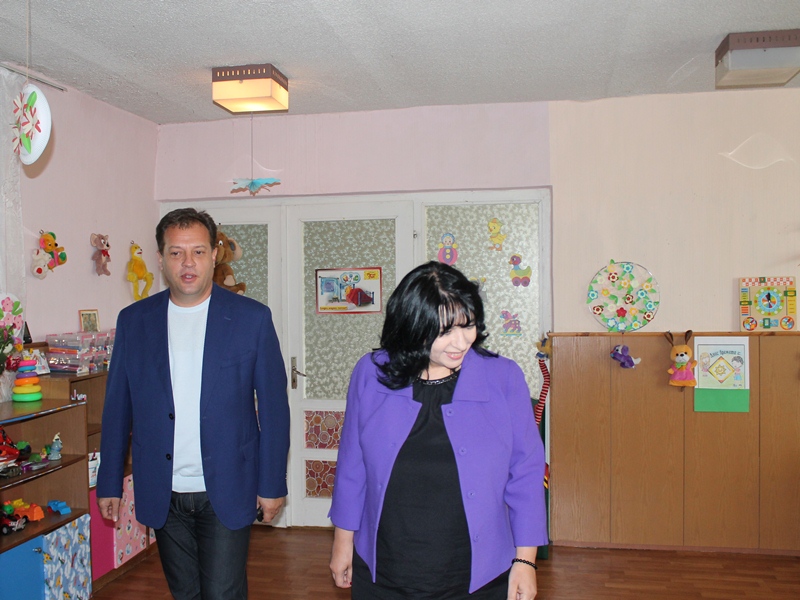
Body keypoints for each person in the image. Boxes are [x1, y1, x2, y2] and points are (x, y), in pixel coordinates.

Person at [96, 208, 290, 600]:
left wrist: (272, 484)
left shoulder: (251, 319)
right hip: (162, 488)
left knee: (222, 594)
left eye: (198, 252)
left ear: (214, 254)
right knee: (184, 594)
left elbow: (274, 409)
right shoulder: (135, 321)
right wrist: (109, 481)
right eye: (176, 253)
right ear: (160, 258)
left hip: (228, 486)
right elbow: (117, 407)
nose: (188, 263)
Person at [329, 261, 548, 600]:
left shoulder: (502, 377)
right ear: (412, 326)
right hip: (384, 570)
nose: (461, 342)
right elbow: (352, 466)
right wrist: (343, 542)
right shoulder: (372, 373)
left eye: (468, 325)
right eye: (444, 331)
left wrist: (525, 560)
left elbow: (526, 472)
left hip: (477, 573)